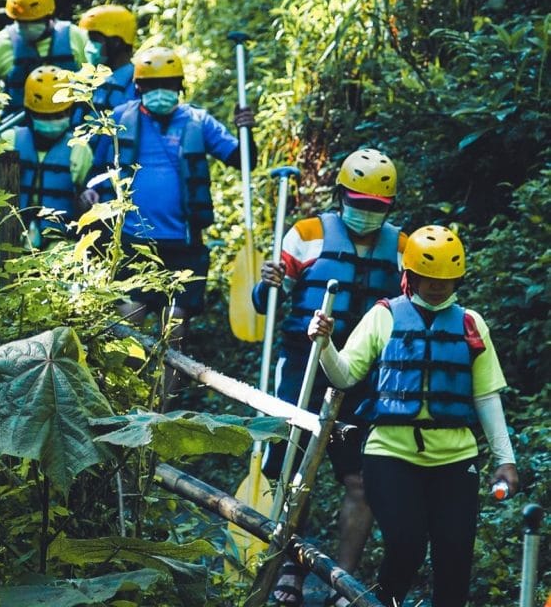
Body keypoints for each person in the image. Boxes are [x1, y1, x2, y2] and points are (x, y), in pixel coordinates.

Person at [308, 224, 519, 607]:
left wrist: (506, 460)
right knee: (406, 544)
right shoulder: (383, 316)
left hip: (455, 458)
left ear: (457, 279)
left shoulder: (471, 323)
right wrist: (324, 344)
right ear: (410, 275)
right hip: (390, 454)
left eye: (446, 280)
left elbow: (487, 397)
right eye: (429, 278)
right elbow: (344, 375)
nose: (437, 287)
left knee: (455, 556)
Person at [252, 147, 407, 607]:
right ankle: (289, 568)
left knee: (361, 481)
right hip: (304, 364)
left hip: (365, 374)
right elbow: (266, 302)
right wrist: (267, 282)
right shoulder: (307, 234)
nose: (366, 212)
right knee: (293, 472)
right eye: (359, 203)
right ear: (341, 196)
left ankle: (343, 581)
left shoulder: (402, 248)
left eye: (376, 206)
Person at [82, 45, 256, 351]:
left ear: (180, 87)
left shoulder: (198, 121)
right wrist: (90, 192)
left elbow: (244, 160)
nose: (161, 91)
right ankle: (126, 382)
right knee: (128, 318)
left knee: (174, 325)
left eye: (169, 84)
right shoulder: (120, 118)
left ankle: (167, 385)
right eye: (153, 85)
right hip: (132, 240)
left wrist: (246, 131)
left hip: (183, 242)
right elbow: (96, 170)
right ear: (139, 87)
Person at [0, 65, 93, 249]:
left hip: (60, 245)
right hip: (10, 239)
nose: (51, 121)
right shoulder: (9, 140)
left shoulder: (79, 148)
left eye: (59, 115)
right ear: (29, 112)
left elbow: (87, 194)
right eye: (43, 116)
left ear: (71, 111)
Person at [0, 0, 87, 113]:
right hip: (18, 123)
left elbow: (97, 81)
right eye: (22, 22)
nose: (28, 26)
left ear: (48, 16)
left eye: (35, 21)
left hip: (75, 122)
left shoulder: (76, 36)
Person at [77, 4, 137, 112]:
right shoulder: (81, 79)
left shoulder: (136, 85)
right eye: (89, 39)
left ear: (116, 42)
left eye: (94, 39)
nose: (88, 47)